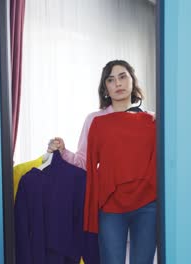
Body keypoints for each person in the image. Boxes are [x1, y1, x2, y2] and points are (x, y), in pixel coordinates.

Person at [47, 60, 157, 264]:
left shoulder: (152, 120)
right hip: (110, 205)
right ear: (105, 88)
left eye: (123, 76)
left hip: (147, 204)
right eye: (111, 79)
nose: (118, 83)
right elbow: (84, 161)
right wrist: (63, 151)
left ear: (132, 81)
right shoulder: (95, 120)